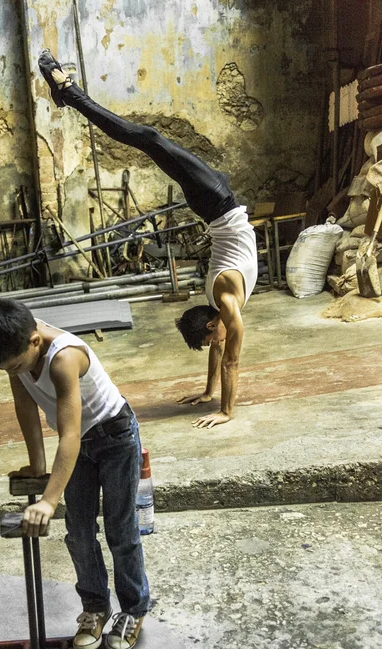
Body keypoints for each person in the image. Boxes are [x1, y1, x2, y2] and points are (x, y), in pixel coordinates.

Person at [38, 49, 258, 429]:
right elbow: (225, 356)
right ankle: (69, 94)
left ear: (211, 324)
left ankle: (70, 93)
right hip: (217, 202)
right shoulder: (222, 306)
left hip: (216, 202)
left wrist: (223, 407)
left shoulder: (225, 302)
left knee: (149, 138)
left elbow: (228, 358)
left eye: (211, 339)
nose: (216, 343)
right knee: (149, 139)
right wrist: (211, 397)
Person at [0, 299, 149, 649]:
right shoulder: (15, 343)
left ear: (35, 341)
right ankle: (96, 607)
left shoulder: (64, 357)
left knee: (120, 529)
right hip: (79, 444)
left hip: (114, 437)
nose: (13, 371)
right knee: (78, 533)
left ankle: (133, 610)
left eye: (15, 366)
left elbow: (69, 434)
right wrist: (37, 465)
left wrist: (49, 500)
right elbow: (25, 406)